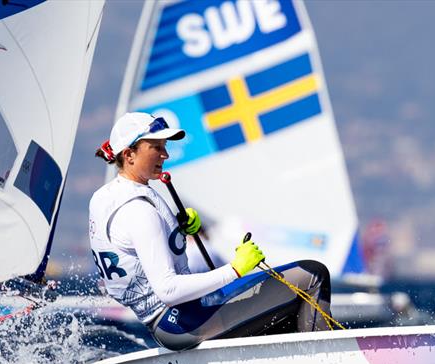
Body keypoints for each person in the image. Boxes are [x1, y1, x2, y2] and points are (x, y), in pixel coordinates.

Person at [89, 112, 331, 350]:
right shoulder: (139, 211)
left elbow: (129, 247)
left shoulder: (105, 197)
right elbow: (168, 290)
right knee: (311, 274)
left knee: (284, 303)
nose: (165, 153)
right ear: (129, 154)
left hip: (173, 322)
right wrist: (235, 269)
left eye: (164, 145)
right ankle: (325, 362)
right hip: (184, 321)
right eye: (156, 147)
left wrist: (176, 229)